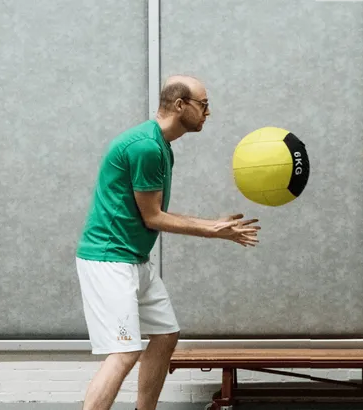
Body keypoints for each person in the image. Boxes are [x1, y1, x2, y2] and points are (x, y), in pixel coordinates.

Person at [74, 75, 260, 410]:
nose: (208, 112)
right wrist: (213, 229)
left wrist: (214, 225)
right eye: (203, 105)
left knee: (165, 335)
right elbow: (153, 217)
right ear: (179, 105)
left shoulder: (160, 146)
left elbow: (152, 214)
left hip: (135, 258)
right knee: (124, 352)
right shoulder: (145, 147)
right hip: (109, 260)